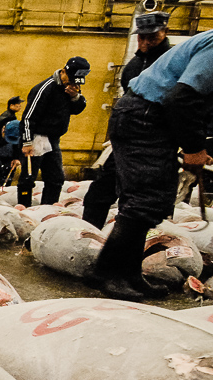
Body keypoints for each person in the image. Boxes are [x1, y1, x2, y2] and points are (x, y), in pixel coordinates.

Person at [88, 28, 213, 301]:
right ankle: (106, 273)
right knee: (144, 200)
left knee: (149, 202)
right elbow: (182, 98)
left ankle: (129, 274)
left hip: (150, 117)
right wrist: (194, 148)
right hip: (144, 116)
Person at [83, 11, 173, 227]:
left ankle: (134, 248)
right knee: (99, 191)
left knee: (136, 200)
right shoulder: (133, 65)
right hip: (126, 141)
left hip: (154, 145)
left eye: (153, 36)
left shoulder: (172, 63)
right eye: (142, 36)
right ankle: (90, 236)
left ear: (165, 32)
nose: (145, 41)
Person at [17, 57, 89, 207]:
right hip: (36, 137)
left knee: (56, 178)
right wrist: (27, 141)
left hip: (53, 139)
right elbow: (28, 117)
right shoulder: (45, 88)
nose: (72, 84)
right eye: (70, 79)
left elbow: (77, 110)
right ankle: (24, 209)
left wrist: (75, 97)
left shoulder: (72, 88)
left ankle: (48, 208)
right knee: (28, 178)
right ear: (63, 72)